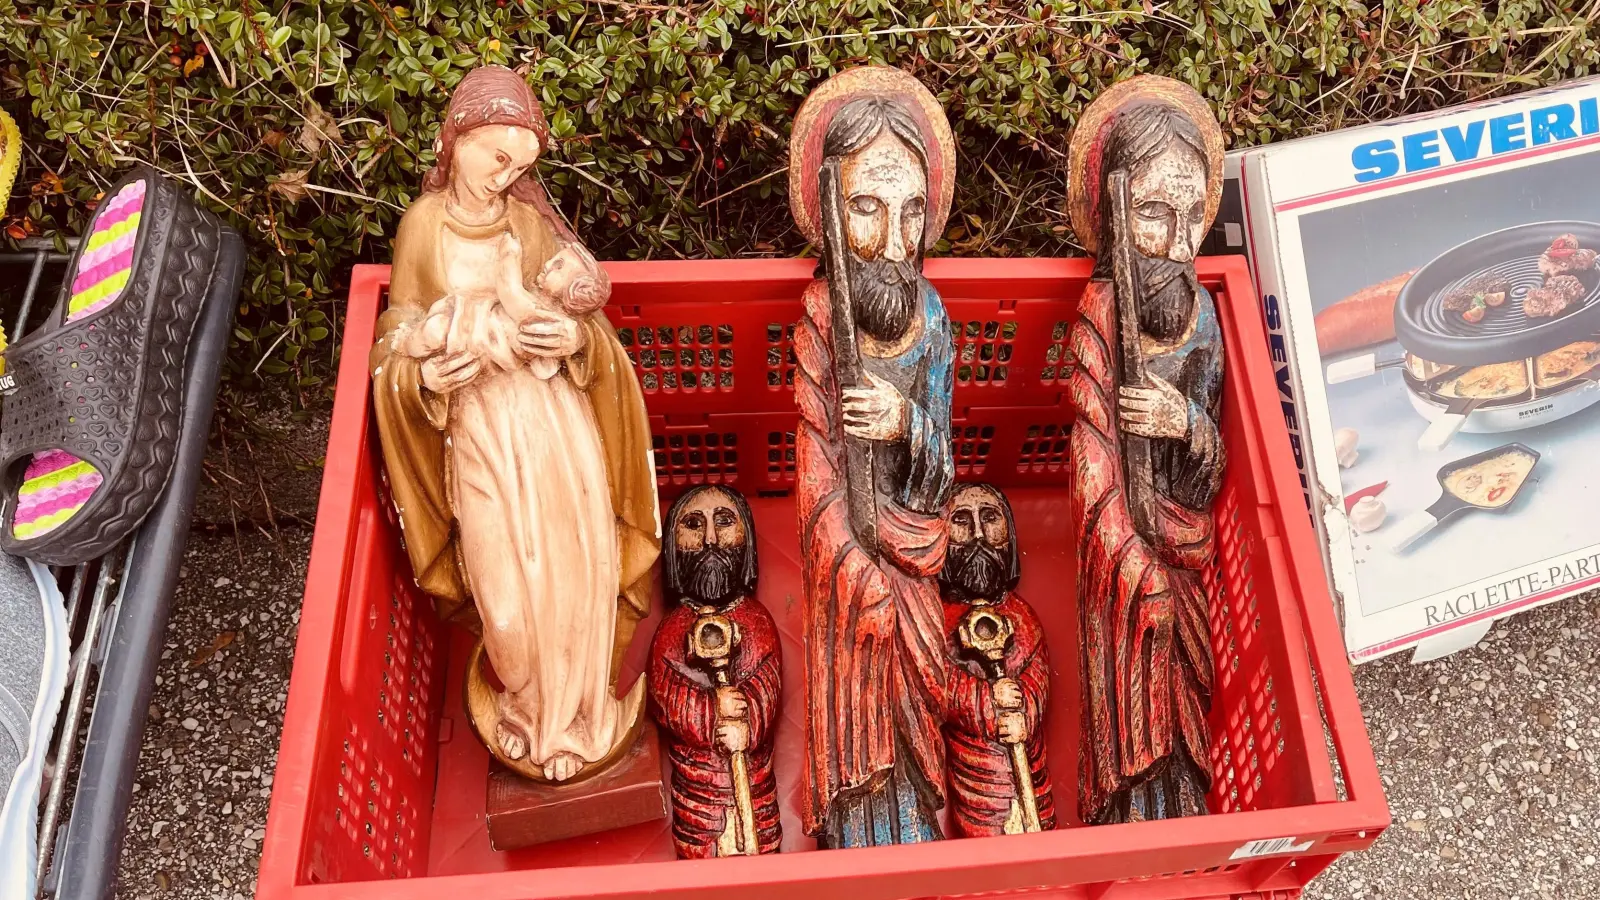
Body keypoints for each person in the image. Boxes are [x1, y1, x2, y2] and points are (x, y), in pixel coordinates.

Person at [369, 65, 659, 784]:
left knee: (575, 573)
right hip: (478, 431)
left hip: (557, 427)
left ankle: (581, 715)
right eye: (497, 156)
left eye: (522, 165)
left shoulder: (529, 225)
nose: (506, 176)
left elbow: (588, 323)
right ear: (457, 139)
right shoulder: (423, 228)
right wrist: (425, 378)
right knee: (505, 599)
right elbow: (394, 335)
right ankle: (527, 705)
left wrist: (574, 342)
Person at [787, 67, 958, 848]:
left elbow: (945, 465)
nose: (894, 241)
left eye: (912, 213)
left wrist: (907, 427)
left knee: (922, 699)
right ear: (826, 209)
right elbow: (814, 472)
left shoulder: (932, 319)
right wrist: (856, 572)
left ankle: (917, 819)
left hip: (916, 552)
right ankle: (855, 830)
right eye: (866, 208)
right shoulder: (821, 318)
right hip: (849, 575)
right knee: (859, 690)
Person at [1065, 78, 1226, 823]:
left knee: (1187, 689)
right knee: (1130, 683)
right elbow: (1090, 463)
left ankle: (1181, 796)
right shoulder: (1100, 314)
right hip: (1121, 558)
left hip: (1183, 542)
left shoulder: (1204, 321)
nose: (1176, 243)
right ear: (1115, 214)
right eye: (1154, 215)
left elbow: (1214, 463)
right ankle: (1125, 801)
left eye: (1192, 216)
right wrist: (1130, 564)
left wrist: (1184, 421)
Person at [648, 486, 783, 858]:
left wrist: (747, 719)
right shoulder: (672, 629)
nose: (710, 539)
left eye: (724, 521)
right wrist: (710, 711)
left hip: (753, 787)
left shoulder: (756, 621)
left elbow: (768, 682)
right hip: (697, 795)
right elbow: (664, 694)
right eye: (694, 524)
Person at [938, 483, 1055, 837]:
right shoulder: (938, 620)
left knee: (1039, 831)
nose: (977, 535)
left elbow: (1038, 674)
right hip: (977, 779)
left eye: (989, 518)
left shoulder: (1022, 616)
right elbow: (938, 683)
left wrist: (1023, 707)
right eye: (961, 520)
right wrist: (989, 701)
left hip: (1028, 766)